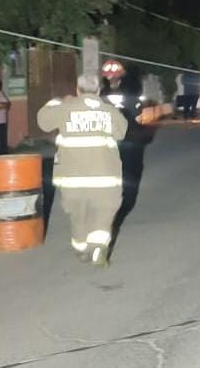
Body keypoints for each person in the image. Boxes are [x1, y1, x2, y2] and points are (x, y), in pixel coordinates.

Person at [37, 75, 127, 266]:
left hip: (72, 179)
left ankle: (81, 248)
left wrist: (56, 102)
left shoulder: (65, 108)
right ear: (98, 91)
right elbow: (122, 132)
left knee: (78, 215)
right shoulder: (108, 110)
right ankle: (98, 248)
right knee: (104, 212)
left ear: (77, 89)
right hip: (105, 178)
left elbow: (43, 122)